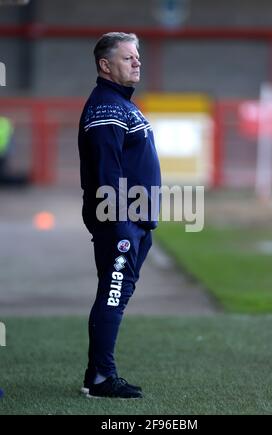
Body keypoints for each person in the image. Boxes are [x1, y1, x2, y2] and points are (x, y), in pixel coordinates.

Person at [78, 32, 161, 399]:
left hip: (133, 221)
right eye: (128, 58)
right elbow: (106, 172)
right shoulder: (108, 108)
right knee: (112, 296)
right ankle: (100, 378)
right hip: (120, 221)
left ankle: (98, 373)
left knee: (117, 294)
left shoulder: (121, 104)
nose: (137, 62)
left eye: (137, 56)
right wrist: (119, 225)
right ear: (105, 65)